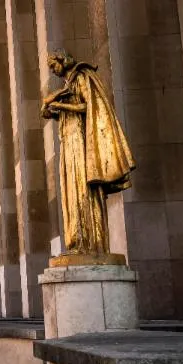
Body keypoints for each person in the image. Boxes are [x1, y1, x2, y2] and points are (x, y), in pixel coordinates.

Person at [41, 49, 136, 257]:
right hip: (68, 141)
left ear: (63, 60)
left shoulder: (82, 76)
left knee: (82, 190)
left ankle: (91, 244)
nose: (52, 69)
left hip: (81, 141)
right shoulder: (67, 86)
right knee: (71, 192)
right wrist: (52, 107)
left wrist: (61, 106)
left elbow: (89, 105)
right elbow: (49, 111)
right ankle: (76, 242)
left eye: (53, 64)